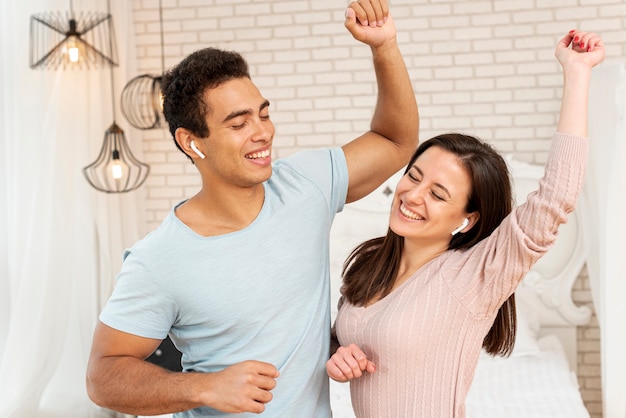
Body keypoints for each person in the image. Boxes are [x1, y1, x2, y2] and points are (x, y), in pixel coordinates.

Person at [85, 1, 418, 417]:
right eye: (239, 124)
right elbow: (103, 376)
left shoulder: (305, 184)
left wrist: (383, 46)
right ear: (192, 142)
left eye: (263, 114)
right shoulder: (158, 259)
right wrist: (204, 387)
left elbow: (395, 141)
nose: (262, 133)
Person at [326, 29, 605, 418]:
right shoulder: (369, 260)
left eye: (439, 194)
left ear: (468, 218)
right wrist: (338, 355)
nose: (413, 195)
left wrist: (577, 72)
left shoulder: (474, 275)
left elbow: (556, 198)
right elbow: (339, 336)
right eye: (414, 175)